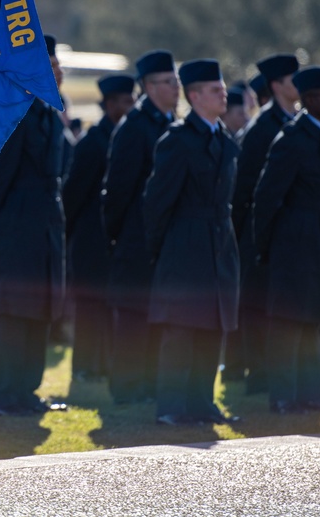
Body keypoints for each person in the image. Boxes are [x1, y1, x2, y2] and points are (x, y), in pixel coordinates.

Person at [143, 58, 240, 426]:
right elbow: (157, 203)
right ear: (195, 96)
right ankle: (172, 406)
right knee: (181, 329)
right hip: (185, 244)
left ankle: (203, 402)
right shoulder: (178, 140)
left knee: (213, 325)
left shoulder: (223, 140)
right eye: (215, 90)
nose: (223, 94)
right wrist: (164, 249)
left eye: (222, 88)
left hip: (219, 244)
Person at [0, 39, 69, 417]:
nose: (57, 71)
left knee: (40, 309)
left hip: (45, 225)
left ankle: (27, 390)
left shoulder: (49, 113)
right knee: (15, 313)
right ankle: (3, 392)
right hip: (16, 226)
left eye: (57, 63)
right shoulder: (13, 112)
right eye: (48, 63)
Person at [253, 66, 320, 415]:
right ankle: (283, 396)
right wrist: (267, 247)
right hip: (294, 242)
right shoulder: (291, 138)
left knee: (313, 323)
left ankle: (310, 394)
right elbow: (267, 197)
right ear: (309, 100)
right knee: (288, 325)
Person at [101, 49, 178, 405]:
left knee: (156, 317)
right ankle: (127, 388)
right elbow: (117, 190)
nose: (175, 88)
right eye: (166, 82)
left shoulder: (171, 123)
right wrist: (119, 234)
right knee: (133, 319)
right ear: (148, 86)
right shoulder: (135, 127)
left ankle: (149, 384)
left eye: (175, 81)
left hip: (163, 240)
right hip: (135, 237)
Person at [232, 53, 300, 396]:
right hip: (260, 235)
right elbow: (245, 188)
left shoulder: (298, 121)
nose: (298, 86)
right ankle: (258, 378)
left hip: (288, 238)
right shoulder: (262, 129)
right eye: (292, 80)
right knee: (259, 310)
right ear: (276, 86)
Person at [63, 74, 136, 382]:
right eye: (123, 101)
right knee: (89, 308)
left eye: (131, 100)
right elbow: (74, 193)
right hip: (91, 239)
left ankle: (104, 364)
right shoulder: (93, 143)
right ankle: (84, 366)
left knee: (108, 307)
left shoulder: (127, 136)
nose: (129, 106)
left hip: (112, 240)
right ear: (108, 104)